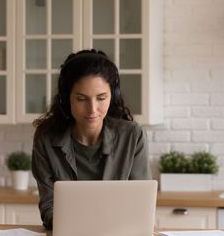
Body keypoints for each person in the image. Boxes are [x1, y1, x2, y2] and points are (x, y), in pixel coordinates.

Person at [31, 49, 152, 230]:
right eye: (81, 99)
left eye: (101, 98)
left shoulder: (132, 136)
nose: (92, 109)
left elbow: (141, 205)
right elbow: (49, 205)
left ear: (113, 96)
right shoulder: (46, 138)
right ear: (66, 98)